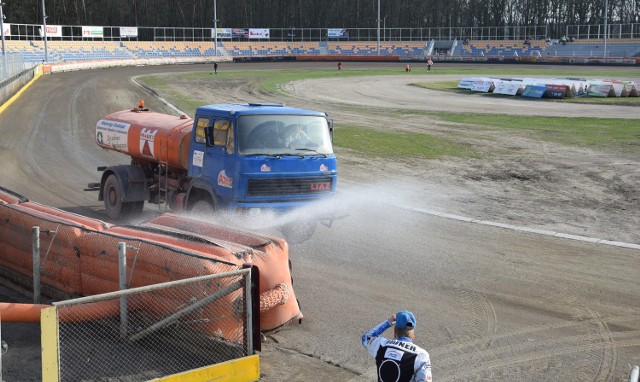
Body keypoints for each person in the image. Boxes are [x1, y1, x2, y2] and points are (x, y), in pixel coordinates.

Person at [362, 310, 432, 382]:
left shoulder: (381, 345)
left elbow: (366, 337)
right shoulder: (421, 355)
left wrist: (389, 322)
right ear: (412, 336)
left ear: (395, 332)